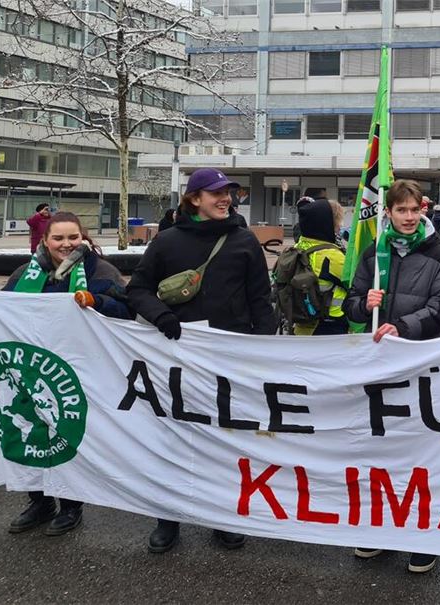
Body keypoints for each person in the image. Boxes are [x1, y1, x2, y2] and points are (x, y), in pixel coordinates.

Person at [128, 167, 274, 553]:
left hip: (229, 359)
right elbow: (138, 290)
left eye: (228, 193)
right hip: (177, 359)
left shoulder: (244, 240)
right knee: (173, 437)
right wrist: (161, 316)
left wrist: (263, 350)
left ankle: (222, 516)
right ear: (194, 199)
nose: (226, 199)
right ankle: (167, 518)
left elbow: (261, 300)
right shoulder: (167, 242)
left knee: (224, 439)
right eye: (216, 193)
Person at [0, 211, 131, 535]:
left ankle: (71, 505)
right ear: (45, 240)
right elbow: (0, 310)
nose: (66, 244)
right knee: (31, 434)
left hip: (79, 371)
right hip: (31, 372)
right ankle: (39, 501)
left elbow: (128, 312)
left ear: (83, 238)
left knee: (67, 437)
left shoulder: (102, 272)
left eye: (73, 237)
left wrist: (97, 301)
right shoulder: (23, 274)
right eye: (58, 238)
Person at [343, 179, 440, 574]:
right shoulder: (375, 251)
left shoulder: (439, 254)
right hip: (379, 368)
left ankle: (423, 536)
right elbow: (349, 303)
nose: (408, 217)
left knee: (420, 454)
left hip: (419, 365)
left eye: (414, 210)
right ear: (387, 212)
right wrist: (363, 304)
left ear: (422, 209)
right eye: (400, 210)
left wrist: (403, 327)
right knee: (380, 451)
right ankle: (380, 529)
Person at [289, 199, 348, 335]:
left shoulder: (298, 247)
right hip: (329, 326)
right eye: (337, 223)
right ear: (327, 224)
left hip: (302, 327)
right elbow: (355, 281)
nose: (339, 227)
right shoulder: (331, 255)